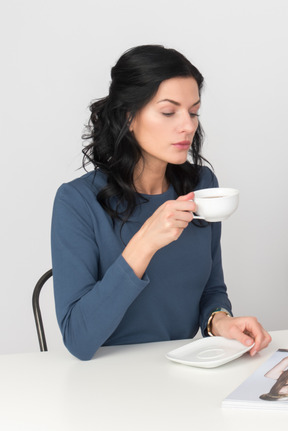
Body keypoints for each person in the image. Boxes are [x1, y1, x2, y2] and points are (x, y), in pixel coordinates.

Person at [51, 44, 271, 360]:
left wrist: (219, 320)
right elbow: (78, 340)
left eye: (193, 112)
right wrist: (144, 243)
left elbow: (211, 290)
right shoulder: (77, 201)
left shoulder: (201, 187)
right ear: (128, 117)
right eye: (169, 112)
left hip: (182, 370)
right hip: (104, 382)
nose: (188, 125)